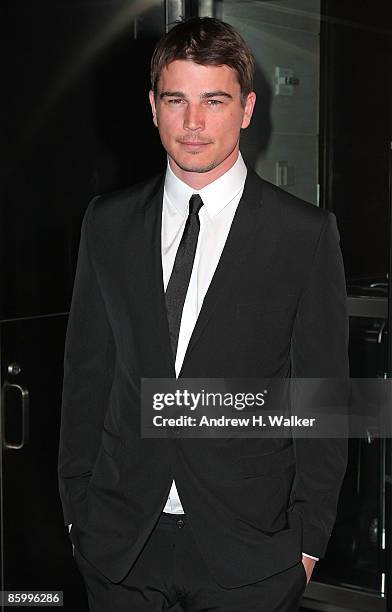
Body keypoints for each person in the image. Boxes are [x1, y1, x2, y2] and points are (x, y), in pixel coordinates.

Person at [58, 16, 349, 612]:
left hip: (252, 554)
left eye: (213, 101)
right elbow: (87, 378)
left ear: (246, 109)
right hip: (120, 546)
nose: (193, 124)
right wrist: (77, 514)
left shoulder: (304, 235)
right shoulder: (107, 223)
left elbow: (322, 398)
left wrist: (309, 541)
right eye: (177, 100)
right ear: (153, 106)